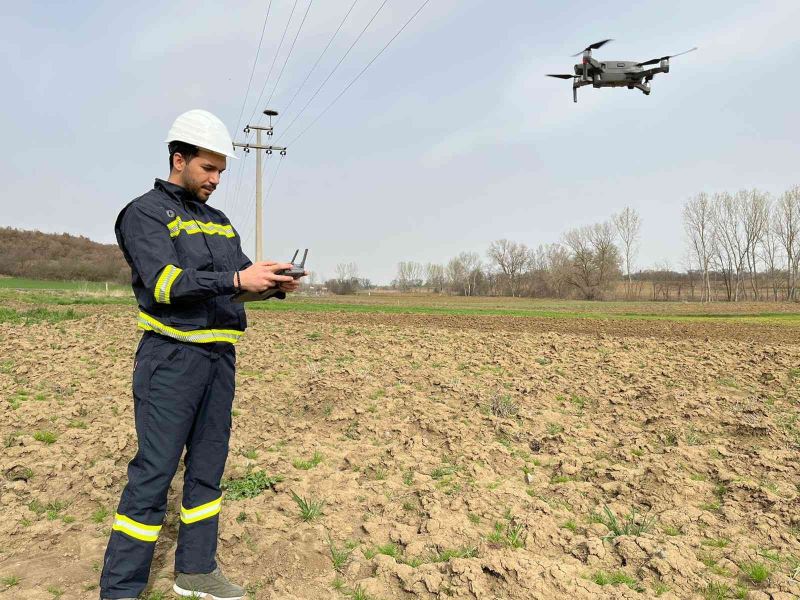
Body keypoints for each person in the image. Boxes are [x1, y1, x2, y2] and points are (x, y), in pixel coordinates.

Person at [99, 109, 302, 600]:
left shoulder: (219, 222)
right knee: (154, 473)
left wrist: (270, 284)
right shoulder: (143, 213)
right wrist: (236, 279)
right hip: (170, 361)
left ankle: (196, 571)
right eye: (208, 169)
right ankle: (121, 589)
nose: (215, 180)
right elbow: (166, 285)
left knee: (209, 468)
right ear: (178, 159)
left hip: (218, 360)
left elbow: (234, 290)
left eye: (221, 172)